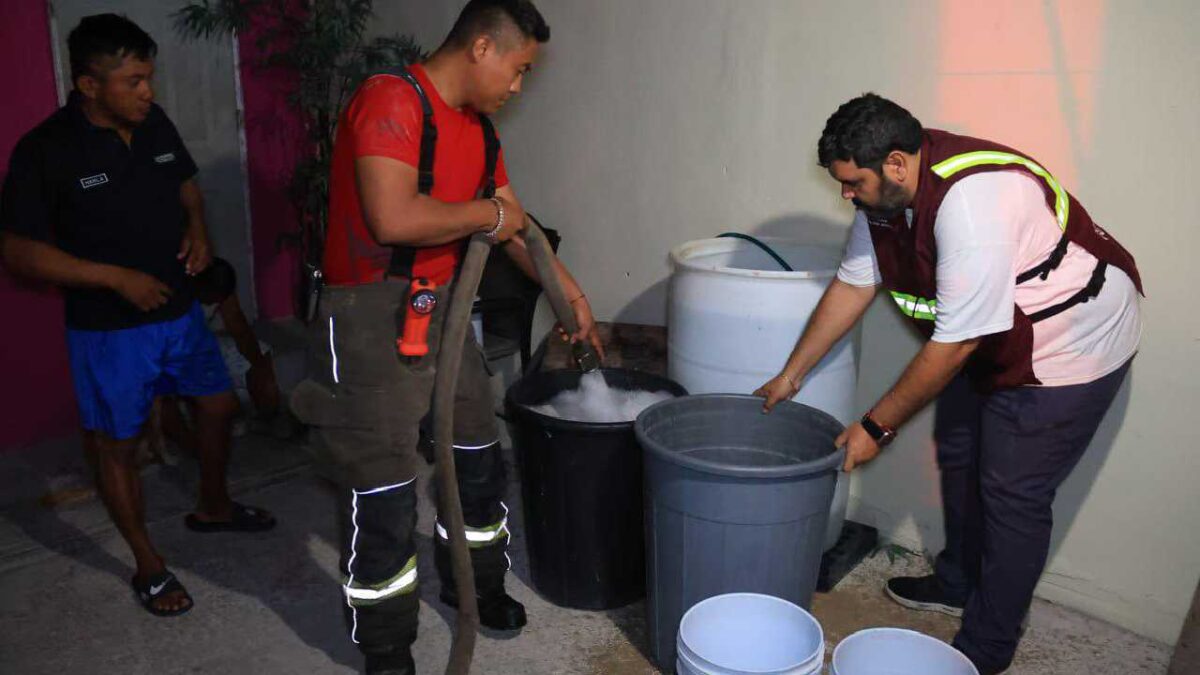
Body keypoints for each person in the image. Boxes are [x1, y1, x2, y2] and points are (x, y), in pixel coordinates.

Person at [755, 93, 1142, 674]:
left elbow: (955, 343)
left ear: (895, 163)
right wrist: (791, 374)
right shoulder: (882, 200)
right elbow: (854, 287)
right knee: (959, 452)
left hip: (1069, 345)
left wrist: (874, 428)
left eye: (851, 183)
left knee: (1013, 495)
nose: (845, 195)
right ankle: (959, 579)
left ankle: (984, 652)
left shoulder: (973, 204)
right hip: (991, 333)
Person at [288, 1, 602, 672]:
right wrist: (490, 213)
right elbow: (393, 216)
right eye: (517, 71)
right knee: (382, 489)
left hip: (448, 311)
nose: (517, 87)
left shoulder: (481, 134)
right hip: (370, 315)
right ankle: (386, 641)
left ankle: (478, 587)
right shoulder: (391, 101)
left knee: (478, 459)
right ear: (482, 47)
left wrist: (570, 295)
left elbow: (513, 228)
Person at [0, 14, 275, 618]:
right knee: (116, 445)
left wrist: (198, 231)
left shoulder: (152, 124)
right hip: (109, 331)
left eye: (148, 77)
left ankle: (213, 505)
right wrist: (114, 277)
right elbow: (17, 250)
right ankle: (149, 565)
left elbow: (186, 188)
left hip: (178, 311)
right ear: (89, 86)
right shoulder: (45, 150)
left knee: (220, 406)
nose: (148, 91)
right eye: (133, 80)